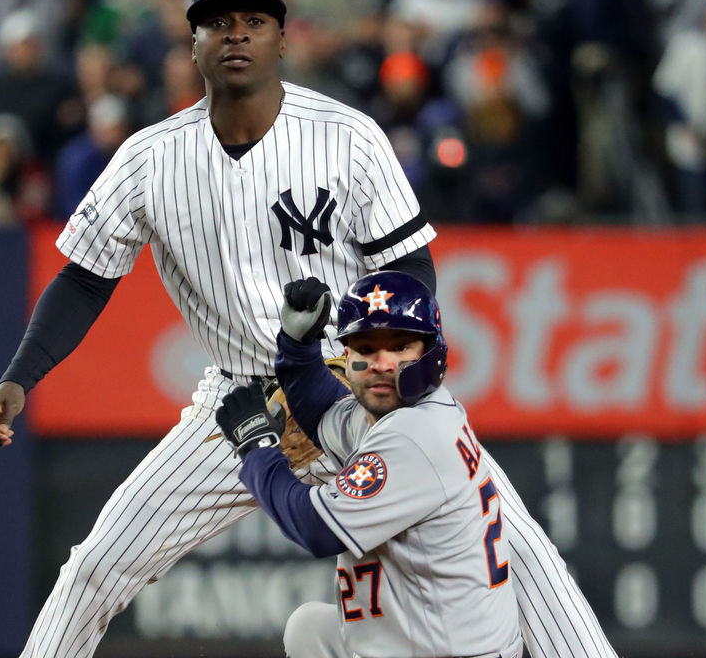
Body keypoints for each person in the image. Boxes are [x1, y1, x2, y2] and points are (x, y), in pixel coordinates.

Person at [0, 0, 615, 658]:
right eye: (219, 22)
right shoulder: (147, 160)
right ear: (192, 44)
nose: (237, 35)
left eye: (255, 21)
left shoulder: (348, 137)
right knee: (96, 567)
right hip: (239, 399)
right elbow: (85, 280)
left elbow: (409, 271)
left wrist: (388, 389)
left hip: (358, 386)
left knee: (521, 555)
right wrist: (19, 375)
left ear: (283, 37)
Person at [214, 271, 523, 658]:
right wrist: (297, 346)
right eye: (365, 348)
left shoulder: (416, 435)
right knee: (310, 630)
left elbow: (317, 529)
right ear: (347, 356)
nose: (381, 363)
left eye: (400, 346)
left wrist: (258, 448)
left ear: (432, 351)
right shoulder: (404, 413)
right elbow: (327, 410)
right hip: (442, 638)